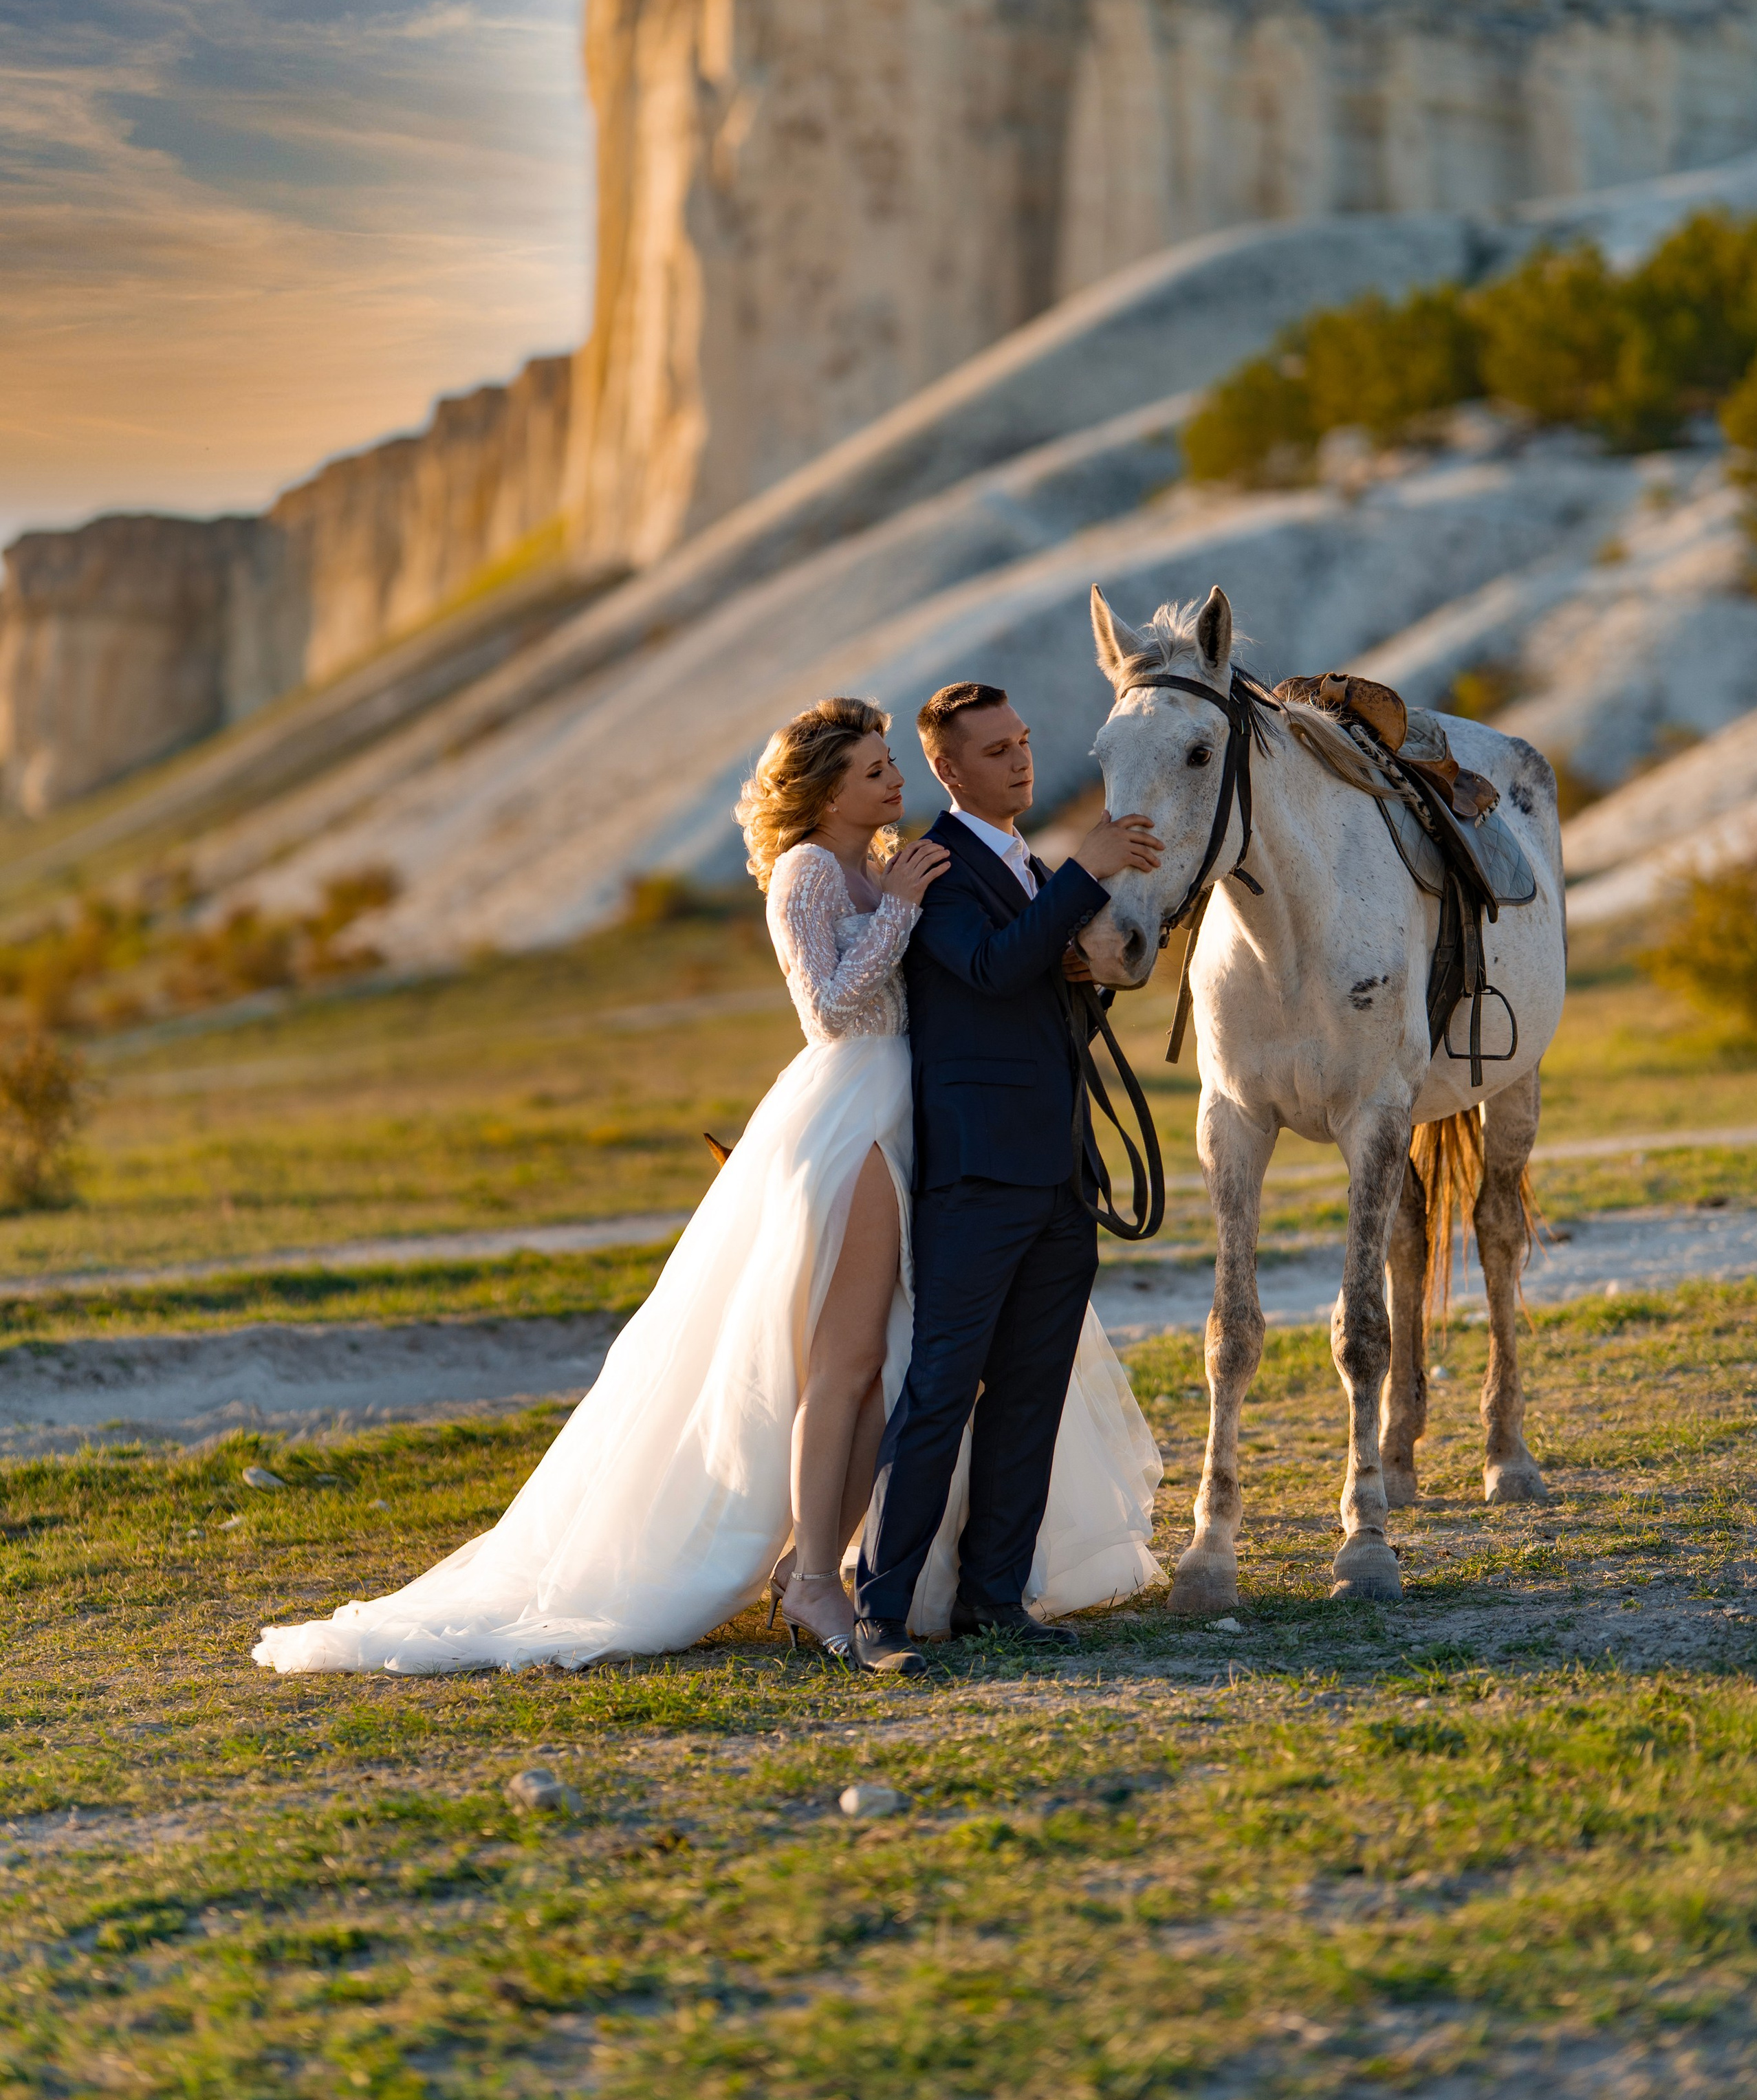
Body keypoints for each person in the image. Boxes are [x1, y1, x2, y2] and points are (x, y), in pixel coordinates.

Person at [252, 694, 1159, 1677]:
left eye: (890, 764)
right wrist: (901, 908)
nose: (892, 779)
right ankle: (818, 1577)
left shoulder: (890, 862)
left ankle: (856, 1566)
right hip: (858, 1114)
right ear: (824, 793)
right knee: (850, 1360)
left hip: (921, 1112)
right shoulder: (813, 874)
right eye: (871, 771)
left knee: (890, 1361)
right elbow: (831, 1010)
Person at [853, 681, 1164, 1677]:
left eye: (1023, 742)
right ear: (947, 770)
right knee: (941, 1393)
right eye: (995, 750)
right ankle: (880, 1612)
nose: (1021, 760)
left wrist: (1083, 974)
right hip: (978, 1175)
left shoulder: (1029, 867)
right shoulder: (934, 870)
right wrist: (1087, 873)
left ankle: (994, 1596)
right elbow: (987, 969)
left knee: (1031, 1392)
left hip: (1059, 1171)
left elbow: (1025, 995)